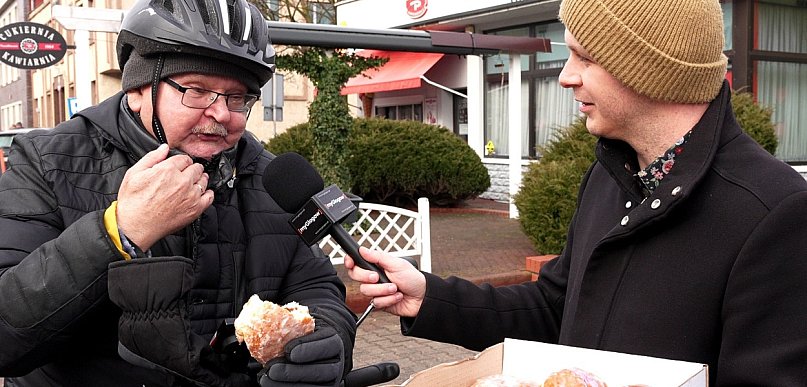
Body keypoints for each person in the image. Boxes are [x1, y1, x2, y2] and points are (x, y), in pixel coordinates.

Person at [345, 0, 807, 385]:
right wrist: (428, 297)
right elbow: (555, 308)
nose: (566, 76)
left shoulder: (775, 212)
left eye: (585, 57)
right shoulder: (609, 176)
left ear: (648, 69)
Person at [0, 0, 355, 385]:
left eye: (237, 98)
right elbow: (6, 338)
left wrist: (326, 340)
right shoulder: (48, 162)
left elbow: (315, 287)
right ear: (137, 89)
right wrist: (120, 231)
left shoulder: (268, 176)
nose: (221, 113)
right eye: (197, 90)